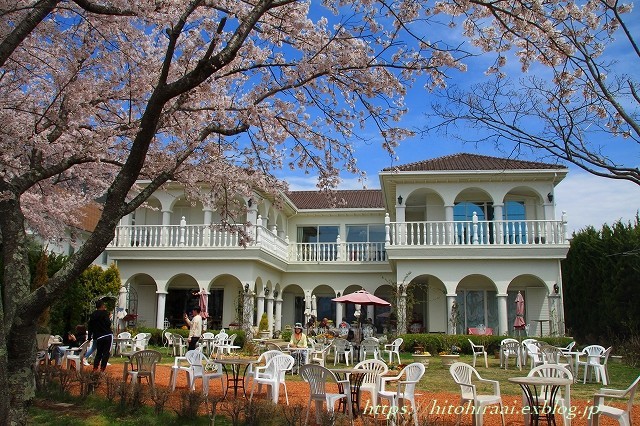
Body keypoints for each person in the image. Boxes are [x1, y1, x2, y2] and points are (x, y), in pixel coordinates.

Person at [88, 299, 113, 372]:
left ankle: (95, 368)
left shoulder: (93, 315)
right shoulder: (105, 313)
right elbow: (108, 324)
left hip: (99, 336)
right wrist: (109, 317)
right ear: (102, 306)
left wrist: (89, 337)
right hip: (107, 335)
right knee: (106, 353)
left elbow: (90, 327)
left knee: (99, 353)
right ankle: (102, 369)